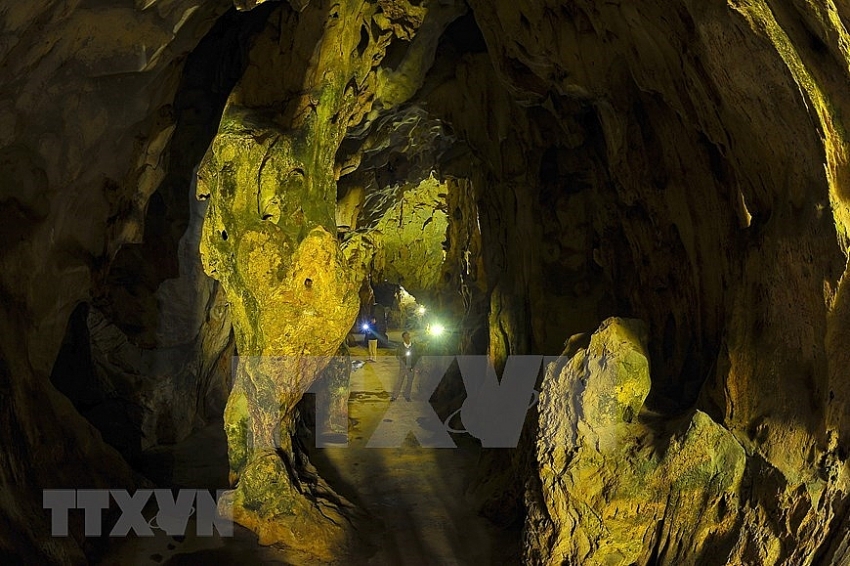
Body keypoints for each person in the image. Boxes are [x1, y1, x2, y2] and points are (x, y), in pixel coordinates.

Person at [392, 331, 417, 401]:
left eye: (408, 336)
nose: (408, 338)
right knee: (399, 381)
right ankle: (395, 396)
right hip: (403, 367)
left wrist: (413, 366)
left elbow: (416, 356)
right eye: (406, 336)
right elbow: (397, 356)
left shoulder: (413, 346)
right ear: (403, 338)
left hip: (411, 367)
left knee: (409, 382)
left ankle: (407, 395)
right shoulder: (400, 346)